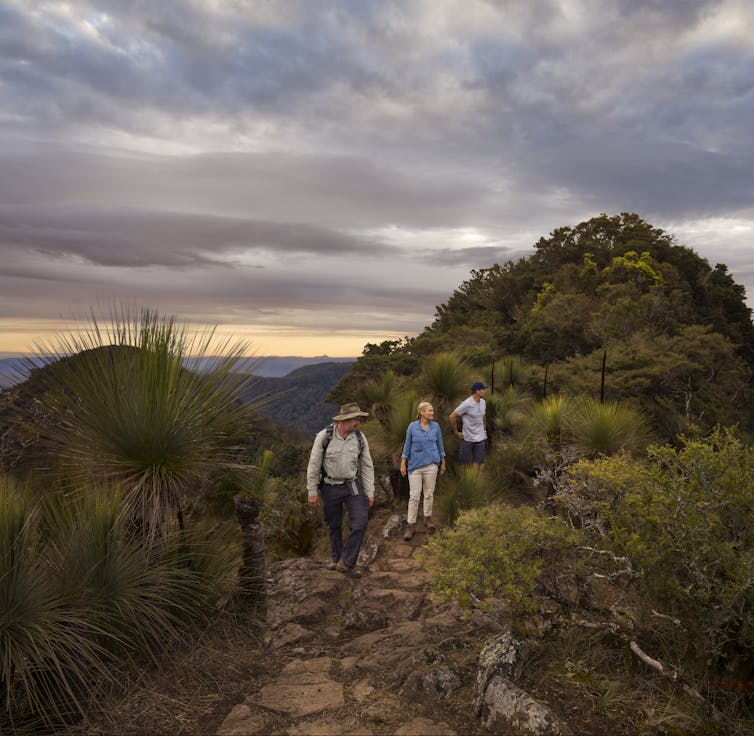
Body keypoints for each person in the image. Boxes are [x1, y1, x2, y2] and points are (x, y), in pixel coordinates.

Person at [307, 402, 375, 578]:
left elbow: (367, 466)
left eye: (358, 419)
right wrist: (312, 491)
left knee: (360, 521)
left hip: (352, 484)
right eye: (355, 419)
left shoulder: (359, 438)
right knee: (334, 524)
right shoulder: (324, 436)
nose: (357, 423)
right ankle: (336, 557)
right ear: (344, 420)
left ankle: (347, 562)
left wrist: (370, 491)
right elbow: (314, 465)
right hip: (330, 486)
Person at [400, 401, 446, 541]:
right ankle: (411, 525)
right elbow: (407, 446)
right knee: (414, 496)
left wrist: (443, 462)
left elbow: (440, 445)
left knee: (429, 494)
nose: (432, 413)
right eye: (429, 411)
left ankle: (427, 518)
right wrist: (403, 463)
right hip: (415, 467)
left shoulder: (436, 427)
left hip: (431, 465)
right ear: (421, 412)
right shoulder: (412, 427)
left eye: (432, 411)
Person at [449, 381, 488, 467]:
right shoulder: (466, 404)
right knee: (465, 465)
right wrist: (456, 432)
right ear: (477, 391)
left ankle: (475, 480)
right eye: (483, 389)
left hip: (480, 439)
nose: (485, 391)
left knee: (478, 464)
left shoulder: (483, 402)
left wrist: (484, 430)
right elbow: (452, 416)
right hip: (468, 439)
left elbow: (483, 417)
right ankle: (466, 480)